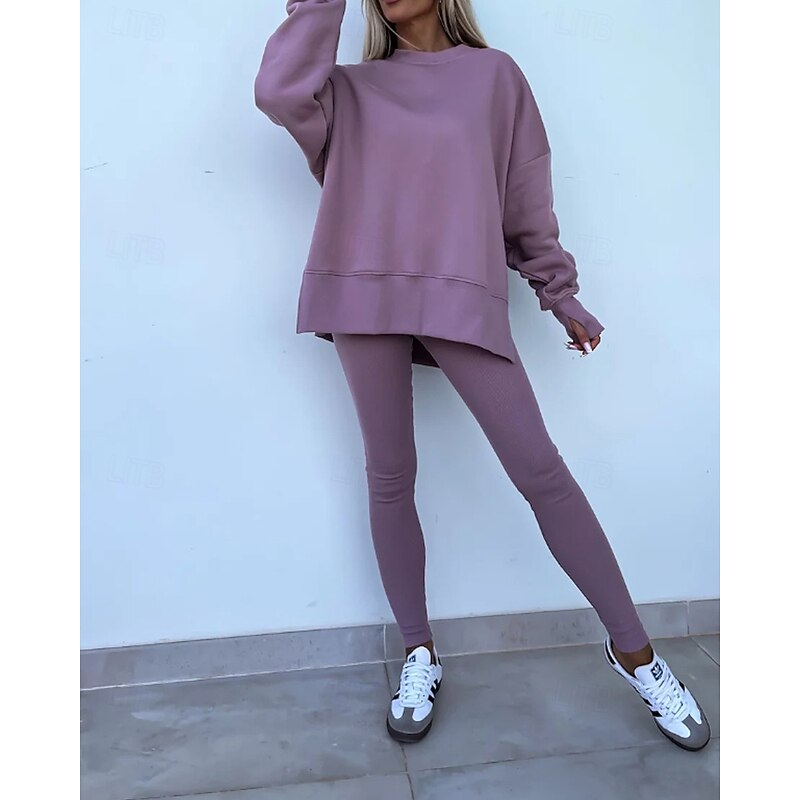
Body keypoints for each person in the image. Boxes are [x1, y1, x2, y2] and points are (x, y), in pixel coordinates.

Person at [254, 0, 711, 751]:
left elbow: (525, 196)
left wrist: (558, 292)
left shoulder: (495, 77)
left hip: (458, 290)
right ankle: (419, 652)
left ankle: (636, 654)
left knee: (541, 472)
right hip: (362, 291)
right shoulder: (344, 89)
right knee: (389, 475)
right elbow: (276, 92)